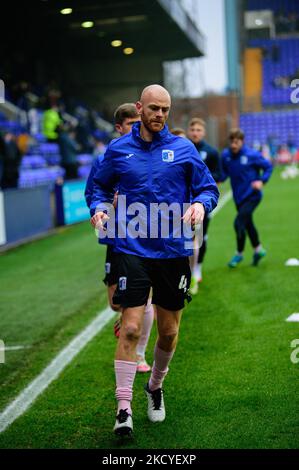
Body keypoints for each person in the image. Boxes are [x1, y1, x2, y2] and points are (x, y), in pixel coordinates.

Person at [90, 85, 219, 436]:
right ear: (139, 108)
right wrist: (99, 209)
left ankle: (155, 387)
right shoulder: (118, 150)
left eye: (165, 109)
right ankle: (123, 408)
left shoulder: (183, 149)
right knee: (130, 327)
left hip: (173, 252)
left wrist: (199, 204)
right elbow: (98, 189)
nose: (160, 114)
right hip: (131, 249)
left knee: (169, 331)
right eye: (153, 108)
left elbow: (208, 189)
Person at [85, 103, 154, 374]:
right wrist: (103, 209)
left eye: (139, 122)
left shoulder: (148, 153)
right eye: (130, 124)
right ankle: (126, 323)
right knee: (116, 302)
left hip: (139, 237)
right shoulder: (105, 159)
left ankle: (138, 352)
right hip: (114, 238)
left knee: (143, 299)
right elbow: (93, 193)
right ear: (119, 127)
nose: (136, 128)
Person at [221, 128, 273, 268]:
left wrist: (262, 181)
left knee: (238, 223)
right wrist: (215, 180)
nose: (233, 145)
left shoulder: (252, 154)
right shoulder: (226, 155)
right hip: (238, 197)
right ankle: (258, 249)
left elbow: (268, 167)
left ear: (242, 142)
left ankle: (239, 254)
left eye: (236, 142)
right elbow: (224, 174)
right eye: (231, 141)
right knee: (248, 224)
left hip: (252, 196)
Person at [187, 118, 221, 293]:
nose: (195, 132)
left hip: (202, 200)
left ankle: (197, 268)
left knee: (200, 236)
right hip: (183, 201)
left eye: (199, 129)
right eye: (192, 129)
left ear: (204, 132)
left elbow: (219, 174)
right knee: (185, 237)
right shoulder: (183, 149)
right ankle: (186, 270)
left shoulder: (211, 152)